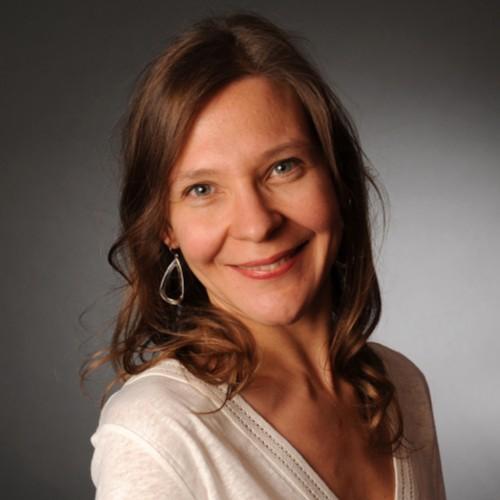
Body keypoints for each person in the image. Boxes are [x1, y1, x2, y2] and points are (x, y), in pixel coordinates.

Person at [85, 13, 446, 500]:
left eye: (282, 167)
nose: (257, 224)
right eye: (202, 189)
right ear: (165, 228)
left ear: (336, 178)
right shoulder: (157, 431)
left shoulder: (401, 387)